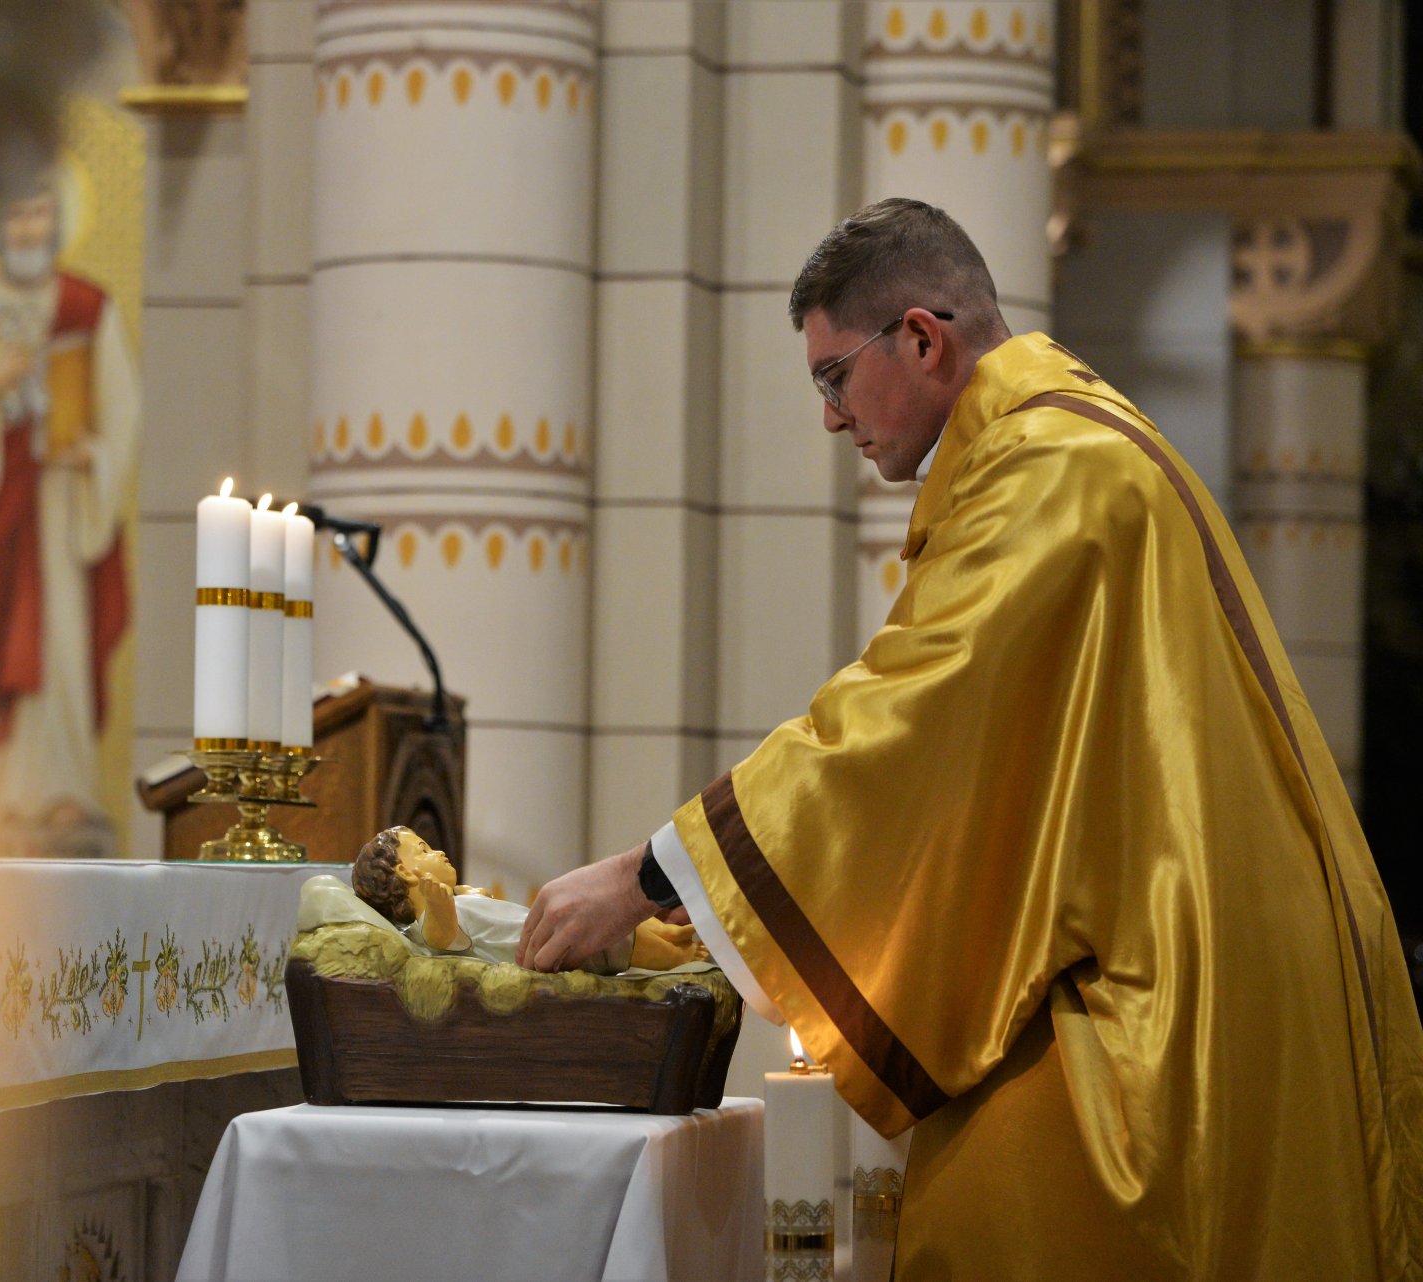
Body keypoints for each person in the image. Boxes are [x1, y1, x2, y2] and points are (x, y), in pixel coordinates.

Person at [517, 198, 1423, 1277]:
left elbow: (901, 728)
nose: (830, 416)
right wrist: (694, 920)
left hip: (1164, 1000)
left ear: (920, 338)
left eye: (832, 376)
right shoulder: (1056, 444)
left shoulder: (1050, 471)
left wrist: (645, 877)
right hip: (1179, 942)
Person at [0, 179, 142, 846]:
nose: (27, 228)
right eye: (15, 214)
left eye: (39, 213)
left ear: (58, 221)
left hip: (55, 504)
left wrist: (92, 456)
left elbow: (124, 411)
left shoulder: (85, 308)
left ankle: (59, 787)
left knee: (60, 643)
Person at [352, 826, 707, 972]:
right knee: (635, 945)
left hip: (558, 931)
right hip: (559, 948)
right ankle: (684, 953)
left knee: (635, 926)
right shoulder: (428, 925)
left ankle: (678, 939)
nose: (441, 852)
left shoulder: (459, 900)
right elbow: (442, 937)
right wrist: (439, 904)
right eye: (424, 850)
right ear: (406, 873)